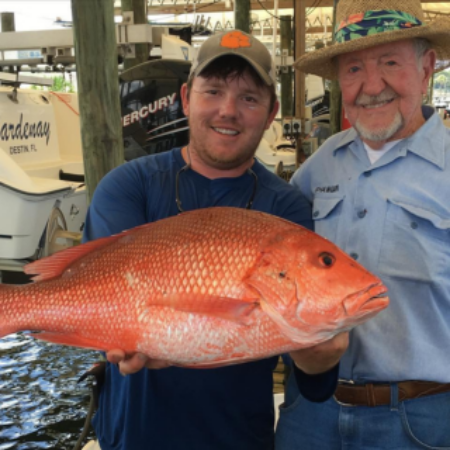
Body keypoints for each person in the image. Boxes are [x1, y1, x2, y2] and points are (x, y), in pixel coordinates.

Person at [82, 30, 348, 450]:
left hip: (240, 438)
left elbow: (314, 387)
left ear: (271, 110)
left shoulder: (287, 211)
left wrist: (319, 359)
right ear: (186, 98)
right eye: (213, 91)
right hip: (133, 437)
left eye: (249, 98)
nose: (228, 111)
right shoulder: (127, 186)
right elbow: (105, 294)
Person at [276, 1, 450, 449]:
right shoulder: (318, 167)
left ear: (427, 66)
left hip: (421, 420)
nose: (372, 86)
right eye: (354, 69)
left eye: (390, 62)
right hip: (309, 412)